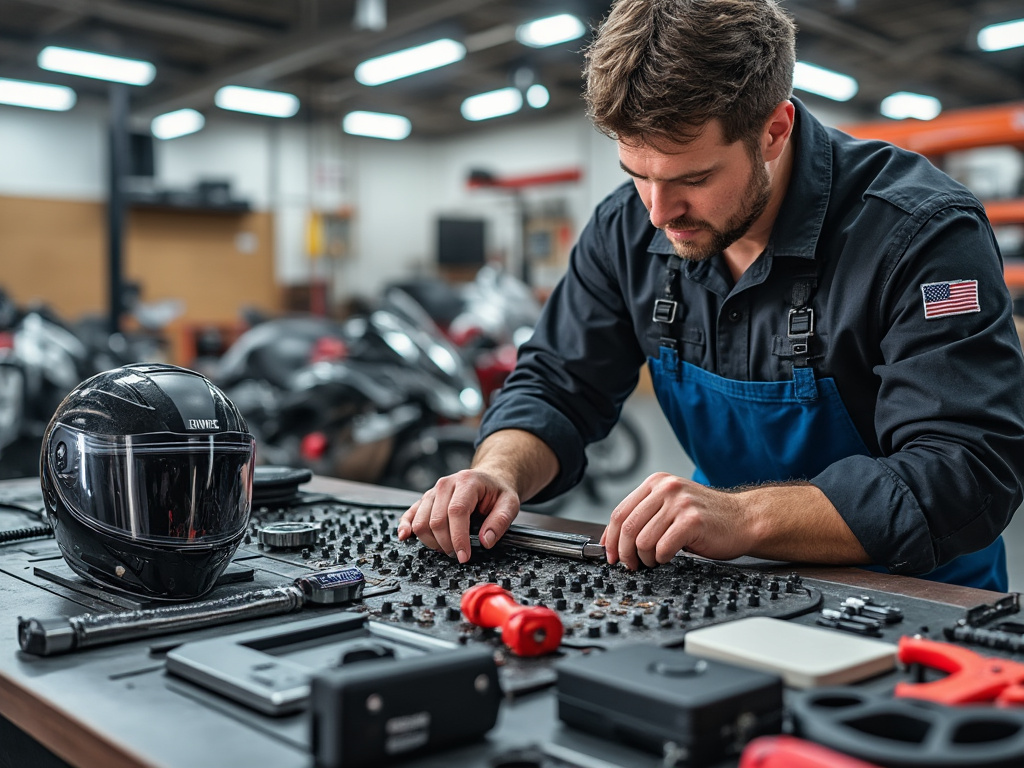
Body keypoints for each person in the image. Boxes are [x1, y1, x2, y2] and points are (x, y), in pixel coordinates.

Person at [397, 0, 1024, 590]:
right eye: (637, 175)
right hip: (723, 580)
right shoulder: (625, 228)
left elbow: (965, 467)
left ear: (774, 130)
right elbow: (557, 384)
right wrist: (497, 469)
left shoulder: (919, 231)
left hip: (916, 594)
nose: (659, 213)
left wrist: (744, 518)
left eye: (693, 178)